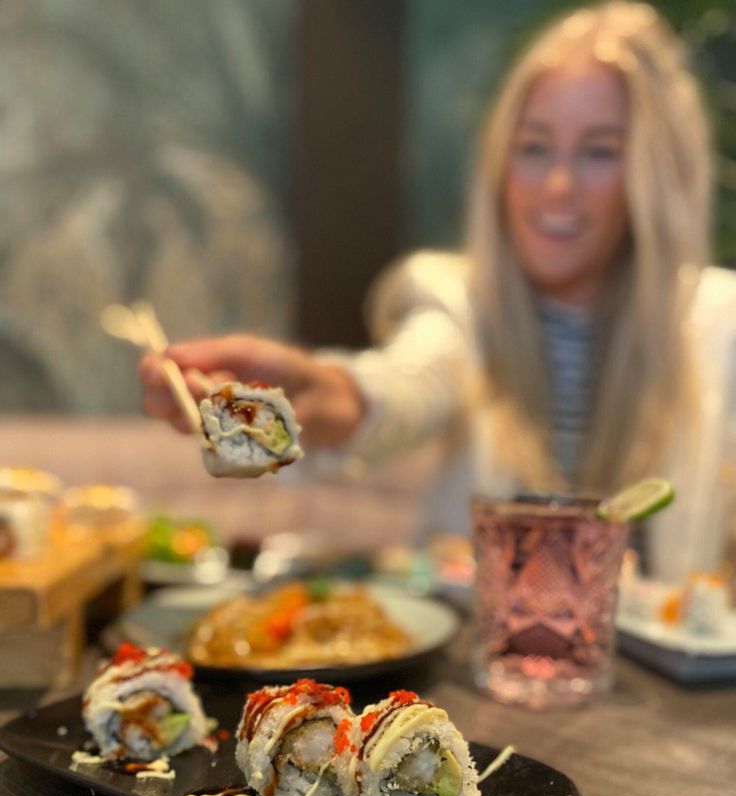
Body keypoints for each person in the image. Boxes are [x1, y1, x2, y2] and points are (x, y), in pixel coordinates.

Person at [140, 2, 736, 581]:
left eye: (600, 152)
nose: (557, 187)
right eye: (533, 147)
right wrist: (309, 394)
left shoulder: (719, 325)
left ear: (655, 174)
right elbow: (399, 389)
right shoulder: (458, 302)